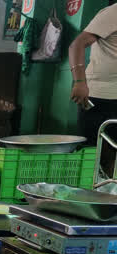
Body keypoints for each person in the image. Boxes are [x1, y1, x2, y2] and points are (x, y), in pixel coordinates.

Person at [69, 3, 117, 165]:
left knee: (112, 155)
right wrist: (79, 82)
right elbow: (77, 45)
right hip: (99, 97)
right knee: (93, 155)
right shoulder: (112, 13)